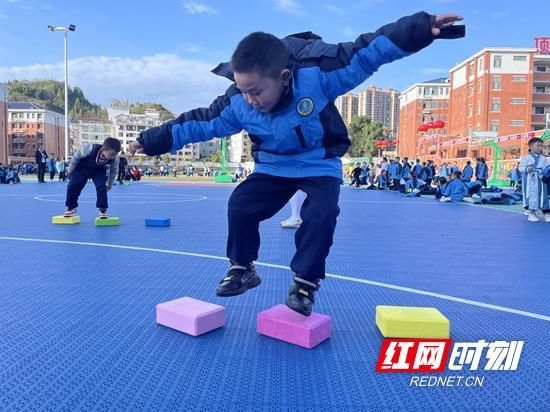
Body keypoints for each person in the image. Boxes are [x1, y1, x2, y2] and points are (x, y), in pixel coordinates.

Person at [129, 12, 464, 316]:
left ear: (285, 76)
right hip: (273, 167)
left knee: (321, 214)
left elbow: (366, 52)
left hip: (319, 164)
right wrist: (151, 140)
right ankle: (242, 267)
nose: (250, 100)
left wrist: (420, 29)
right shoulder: (238, 104)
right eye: (243, 91)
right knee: (241, 204)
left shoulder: (318, 76)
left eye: (256, 91)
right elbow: (199, 122)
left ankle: (305, 283)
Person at [63, 137, 121, 218]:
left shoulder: (115, 159)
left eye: (115, 154)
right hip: (83, 168)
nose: (113, 157)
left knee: (102, 187)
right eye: (111, 154)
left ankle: (102, 209)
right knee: (72, 186)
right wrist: (70, 170)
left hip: (99, 170)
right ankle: (71, 208)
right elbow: (76, 157)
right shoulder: (90, 148)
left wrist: (110, 184)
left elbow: (113, 172)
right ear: (104, 149)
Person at [519, 137, 550, 222]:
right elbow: (520, 168)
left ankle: (546, 213)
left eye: (541, 146)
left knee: (543, 196)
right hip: (531, 180)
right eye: (538, 146)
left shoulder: (543, 158)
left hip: (541, 179)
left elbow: (546, 167)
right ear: (530, 146)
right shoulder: (526, 158)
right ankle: (531, 212)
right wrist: (527, 169)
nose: (540, 148)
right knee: (532, 195)